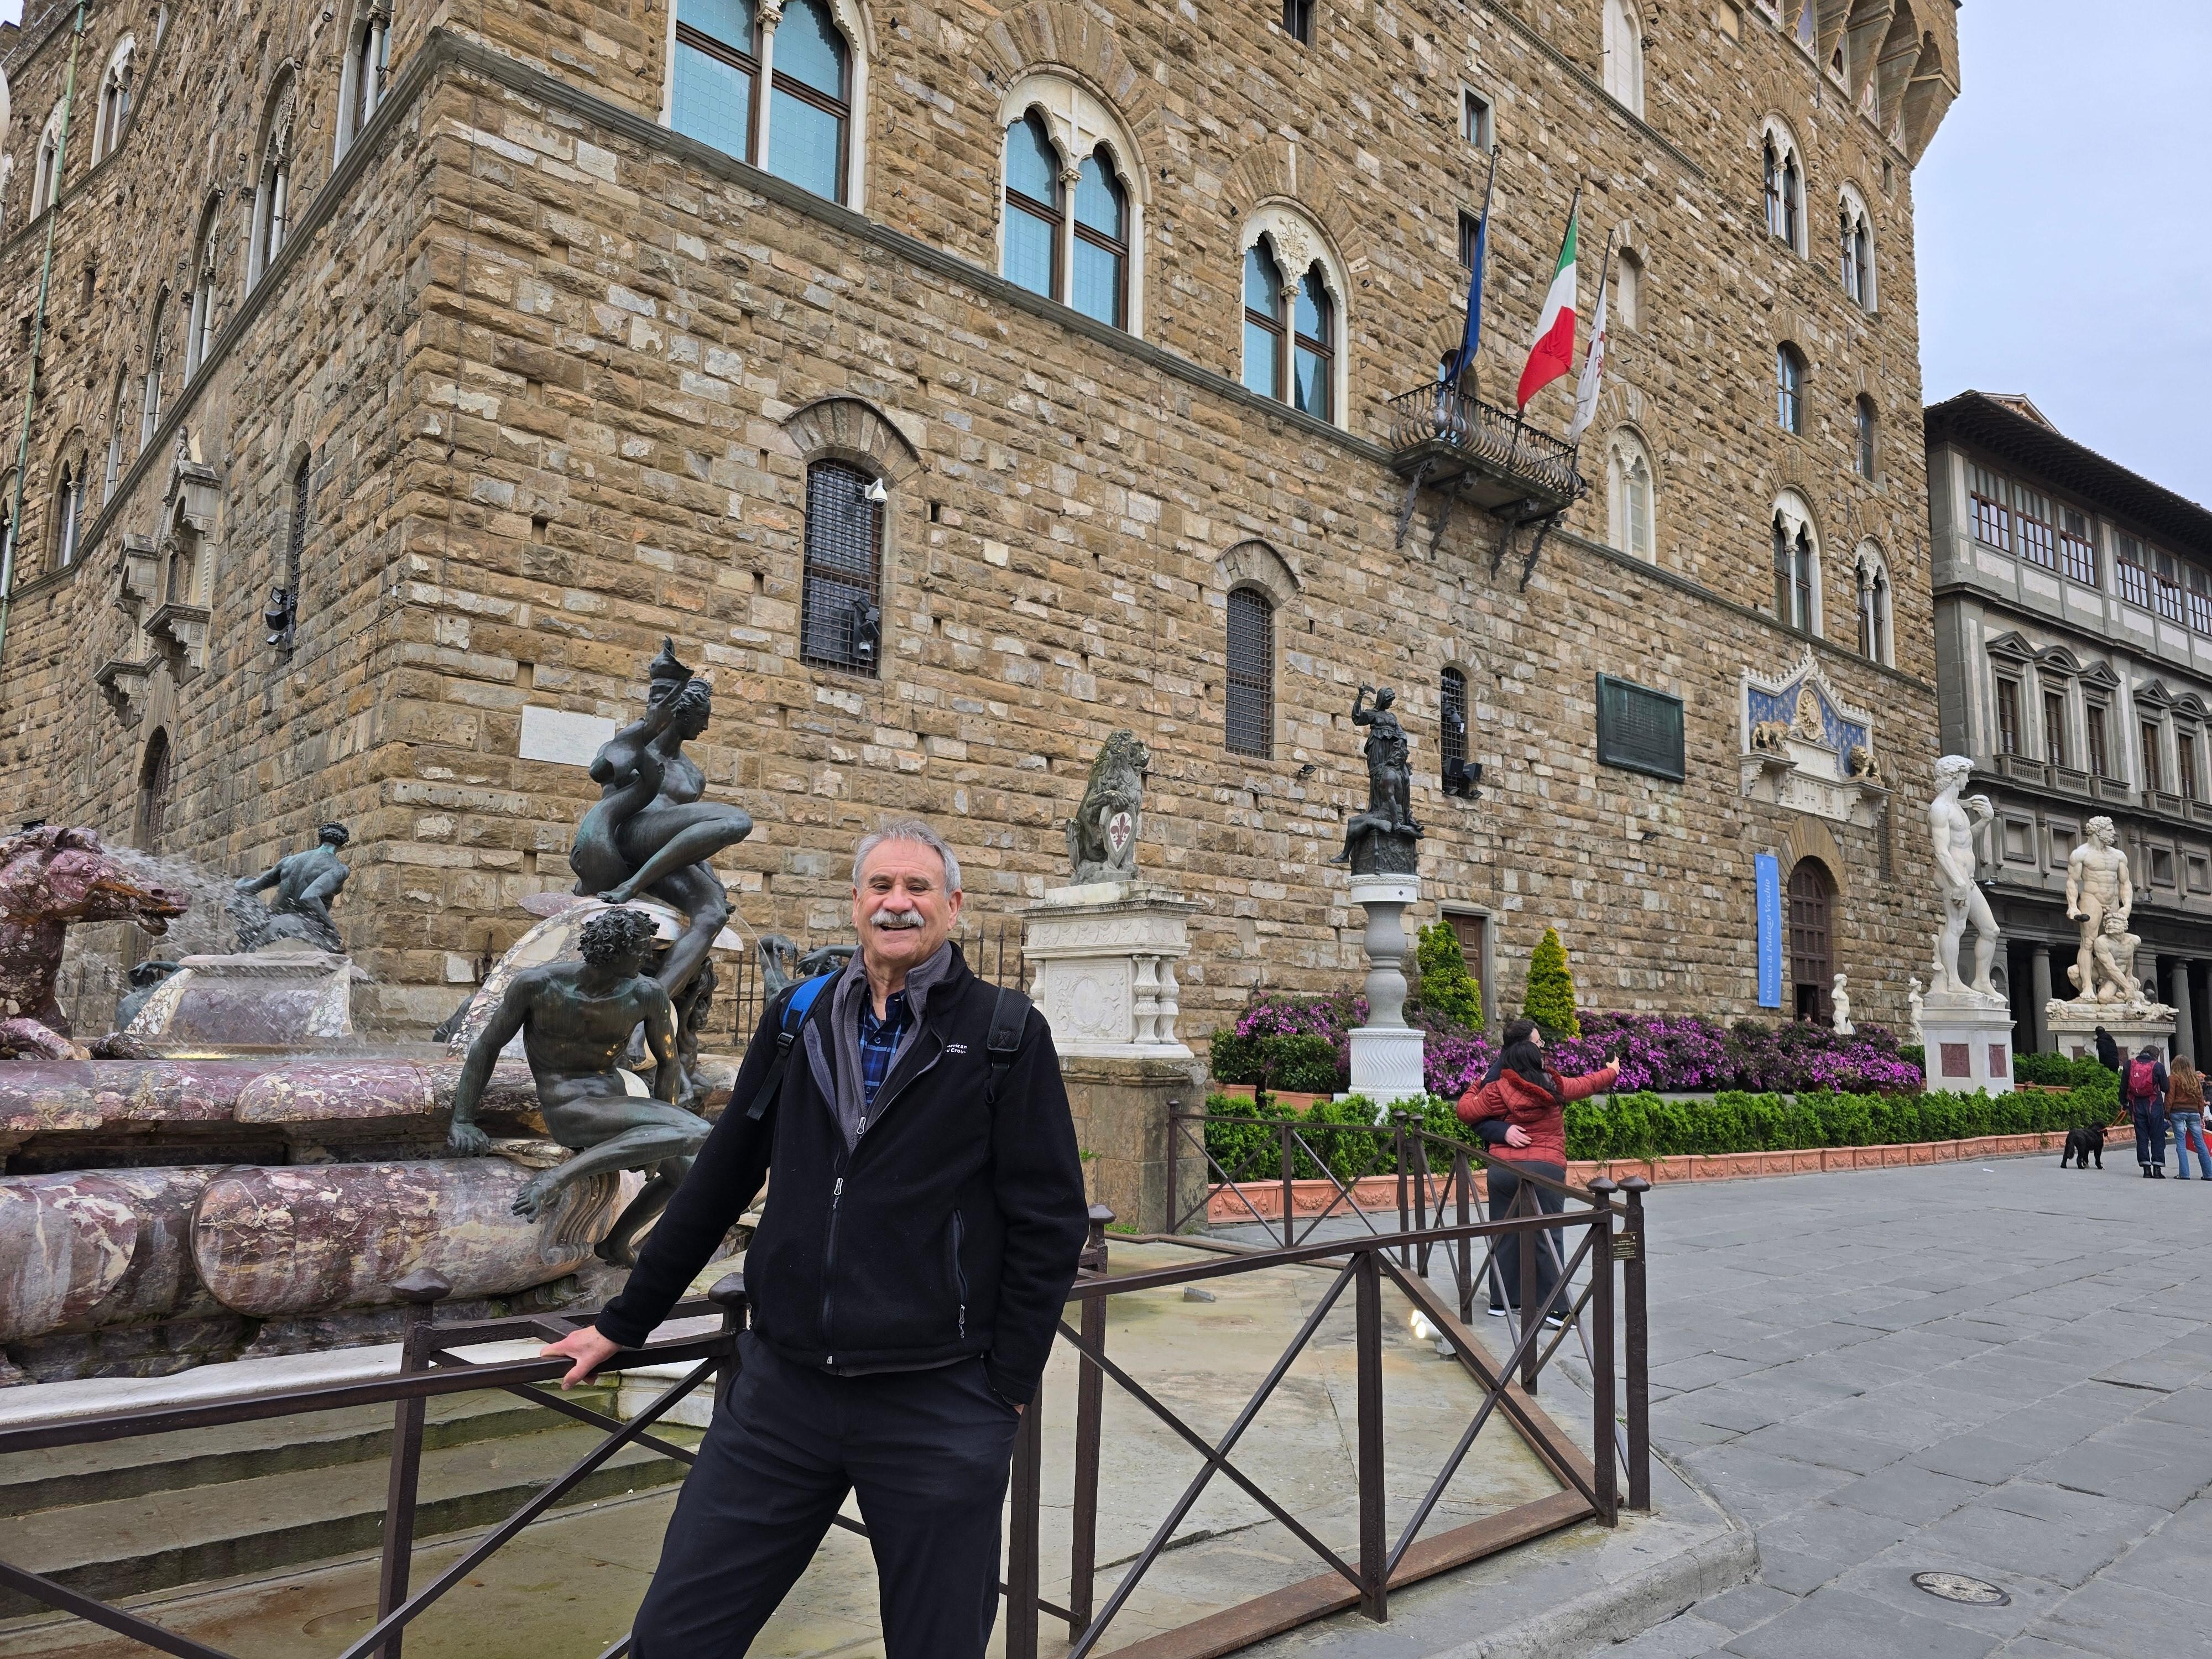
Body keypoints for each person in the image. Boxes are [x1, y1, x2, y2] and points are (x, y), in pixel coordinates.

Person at [539, 818, 1089, 1659]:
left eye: (917, 889)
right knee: (677, 1634)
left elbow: (1049, 1221)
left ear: (953, 907)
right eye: (881, 887)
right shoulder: (798, 1017)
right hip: (782, 1394)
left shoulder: (1007, 1035)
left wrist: (1002, 1387)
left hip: (935, 1400)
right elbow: (724, 1173)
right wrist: (627, 1320)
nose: (897, 904)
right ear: (857, 902)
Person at [445, 906, 700, 1265]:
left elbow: (670, 1064)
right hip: (568, 1109)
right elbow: (486, 1046)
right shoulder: (538, 985)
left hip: (613, 1106)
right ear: (614, 950)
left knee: (687, 1171)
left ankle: (614, 1244)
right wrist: (463, 1120)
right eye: (641, 949)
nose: (648, 957)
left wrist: (659, 1141)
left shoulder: (647, 994)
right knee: (697, 1130)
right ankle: (556, 1179)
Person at [1458, 1021, 1618, 1326]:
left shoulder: (1496, 1088)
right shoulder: (1554, 1086)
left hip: (1504, 1170)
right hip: (1545, 1170)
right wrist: (1611, 1071)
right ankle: (1556, 1309)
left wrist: (1475, 1085)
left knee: (1504, 1233)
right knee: (1548, 1235)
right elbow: (1586, 1084)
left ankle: (1502, 1302)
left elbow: (1466, 1111)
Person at [2124, 1044, 2169, 1178]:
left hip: (2136, 1105)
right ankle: (2157, 1169)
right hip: (2154, 1104)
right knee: (2157, 1137)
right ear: (2155, 1055)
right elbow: (2166, 1088)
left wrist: (2123, 1103)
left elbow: (2123, 1086)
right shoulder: (2158, 1066)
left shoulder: (2129, 1065)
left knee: (2142, 1137)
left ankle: (2146, 1170)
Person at [2169, 1055, 2209, 1182]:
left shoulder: (2173, 1079)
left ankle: (2184, 1173)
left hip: (2178, 1112)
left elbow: (2170, 1097)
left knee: (2181, 1142)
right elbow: (2200, 1099)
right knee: (2200, 1142)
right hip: (2194, 1112)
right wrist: (2201, 1115)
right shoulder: (2195, 1080)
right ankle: (2209, 1173)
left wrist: (2167, 1112)